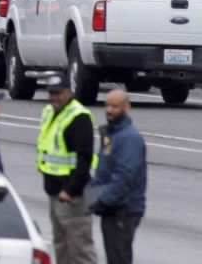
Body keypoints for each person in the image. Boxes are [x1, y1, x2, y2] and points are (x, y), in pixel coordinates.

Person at [36, 71, 99, 264]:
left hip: (73, 195)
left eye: (58, 93)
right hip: (54, 190)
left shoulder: (79, 117)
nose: (54, 97)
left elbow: (84, 159)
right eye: (51, 93)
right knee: (61, 244)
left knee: (79, 248)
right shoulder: (49, 112)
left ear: (69, 92)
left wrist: (71, 190)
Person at [88, 88, 146, 264]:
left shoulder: (129, 138)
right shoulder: (111, 135)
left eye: (115, 106)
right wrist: (89, 197)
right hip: (112, 208)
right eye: (108, 105)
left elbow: (125, 177)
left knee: (119, 258)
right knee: (114, 257)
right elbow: (104, 173)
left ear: (126, 107)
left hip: (123, 210)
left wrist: (100, 201)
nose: (109, 110)